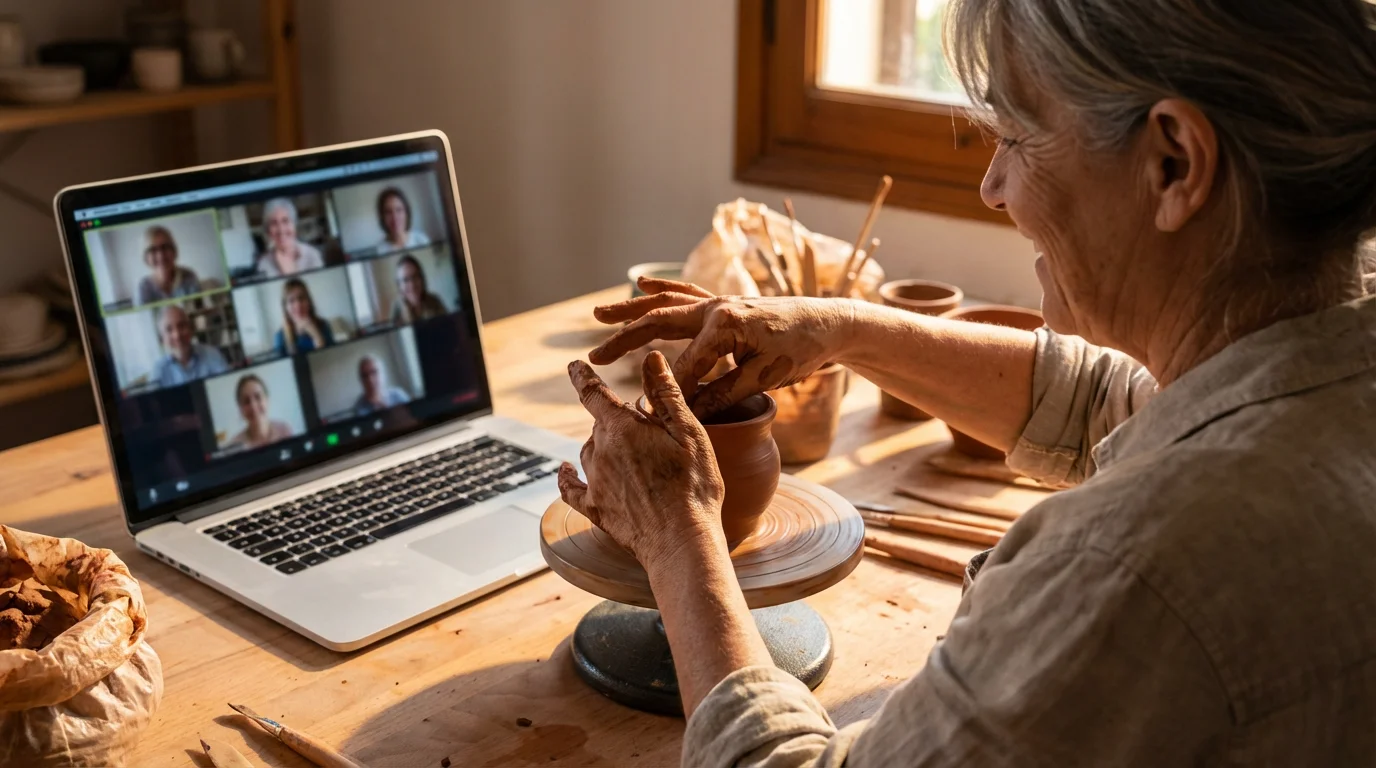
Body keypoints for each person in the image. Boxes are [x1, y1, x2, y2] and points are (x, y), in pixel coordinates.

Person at [560, 0, 1376, 764]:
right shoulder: (1328, 362)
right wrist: (841, 329)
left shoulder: (1132, 567)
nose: (992, 186)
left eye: (1015, 138)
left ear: (1173, 163)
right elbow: (1120, 404)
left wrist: (676, 539)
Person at [151, 305, 228, 388]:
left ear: (190, 329)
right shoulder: (158, 371)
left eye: (181, 326)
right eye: (169, 329)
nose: (177, 335)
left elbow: (227, 387)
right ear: (162, 339)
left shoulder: (212, 354)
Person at [254, 198, 324, 278]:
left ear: (294, 225)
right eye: (274, 223)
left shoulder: (312, 255)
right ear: (268, 230)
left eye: (285, 221)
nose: (281, 229)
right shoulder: (263, 265)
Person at [224, 374, 295, 451]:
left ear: (267, 400)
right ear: (240, 408)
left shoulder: (285, 430)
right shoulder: (234, 446)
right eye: (246, 401)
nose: (253, 406)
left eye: (258, 397)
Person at [135, 226, 201, 306]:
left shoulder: (189, 276)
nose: (161, 256)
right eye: (153, 250)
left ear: (174, 251)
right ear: (146, 257)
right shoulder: (143, 287)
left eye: (165, 247)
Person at [273, 278, 335, 355]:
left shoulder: (324, 325)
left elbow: (332, 358)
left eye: (301, 298)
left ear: (309, 301)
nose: (298, 305)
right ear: (285, 307)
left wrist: (317, 336)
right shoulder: (280, 336)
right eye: (291, 301)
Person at [389, 255, 447, 324]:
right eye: (405, 280)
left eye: (415, 277)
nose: (412, 285)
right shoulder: (396, 309)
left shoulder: (435, 301)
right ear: (399, 285)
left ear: (422, 279)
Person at [374, 187, 430, 253]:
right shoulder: (380, 250)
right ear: (382, 217)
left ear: (406, 213)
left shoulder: (421, 240)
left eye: (399, 210)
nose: (394, 217)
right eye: (388, 212)